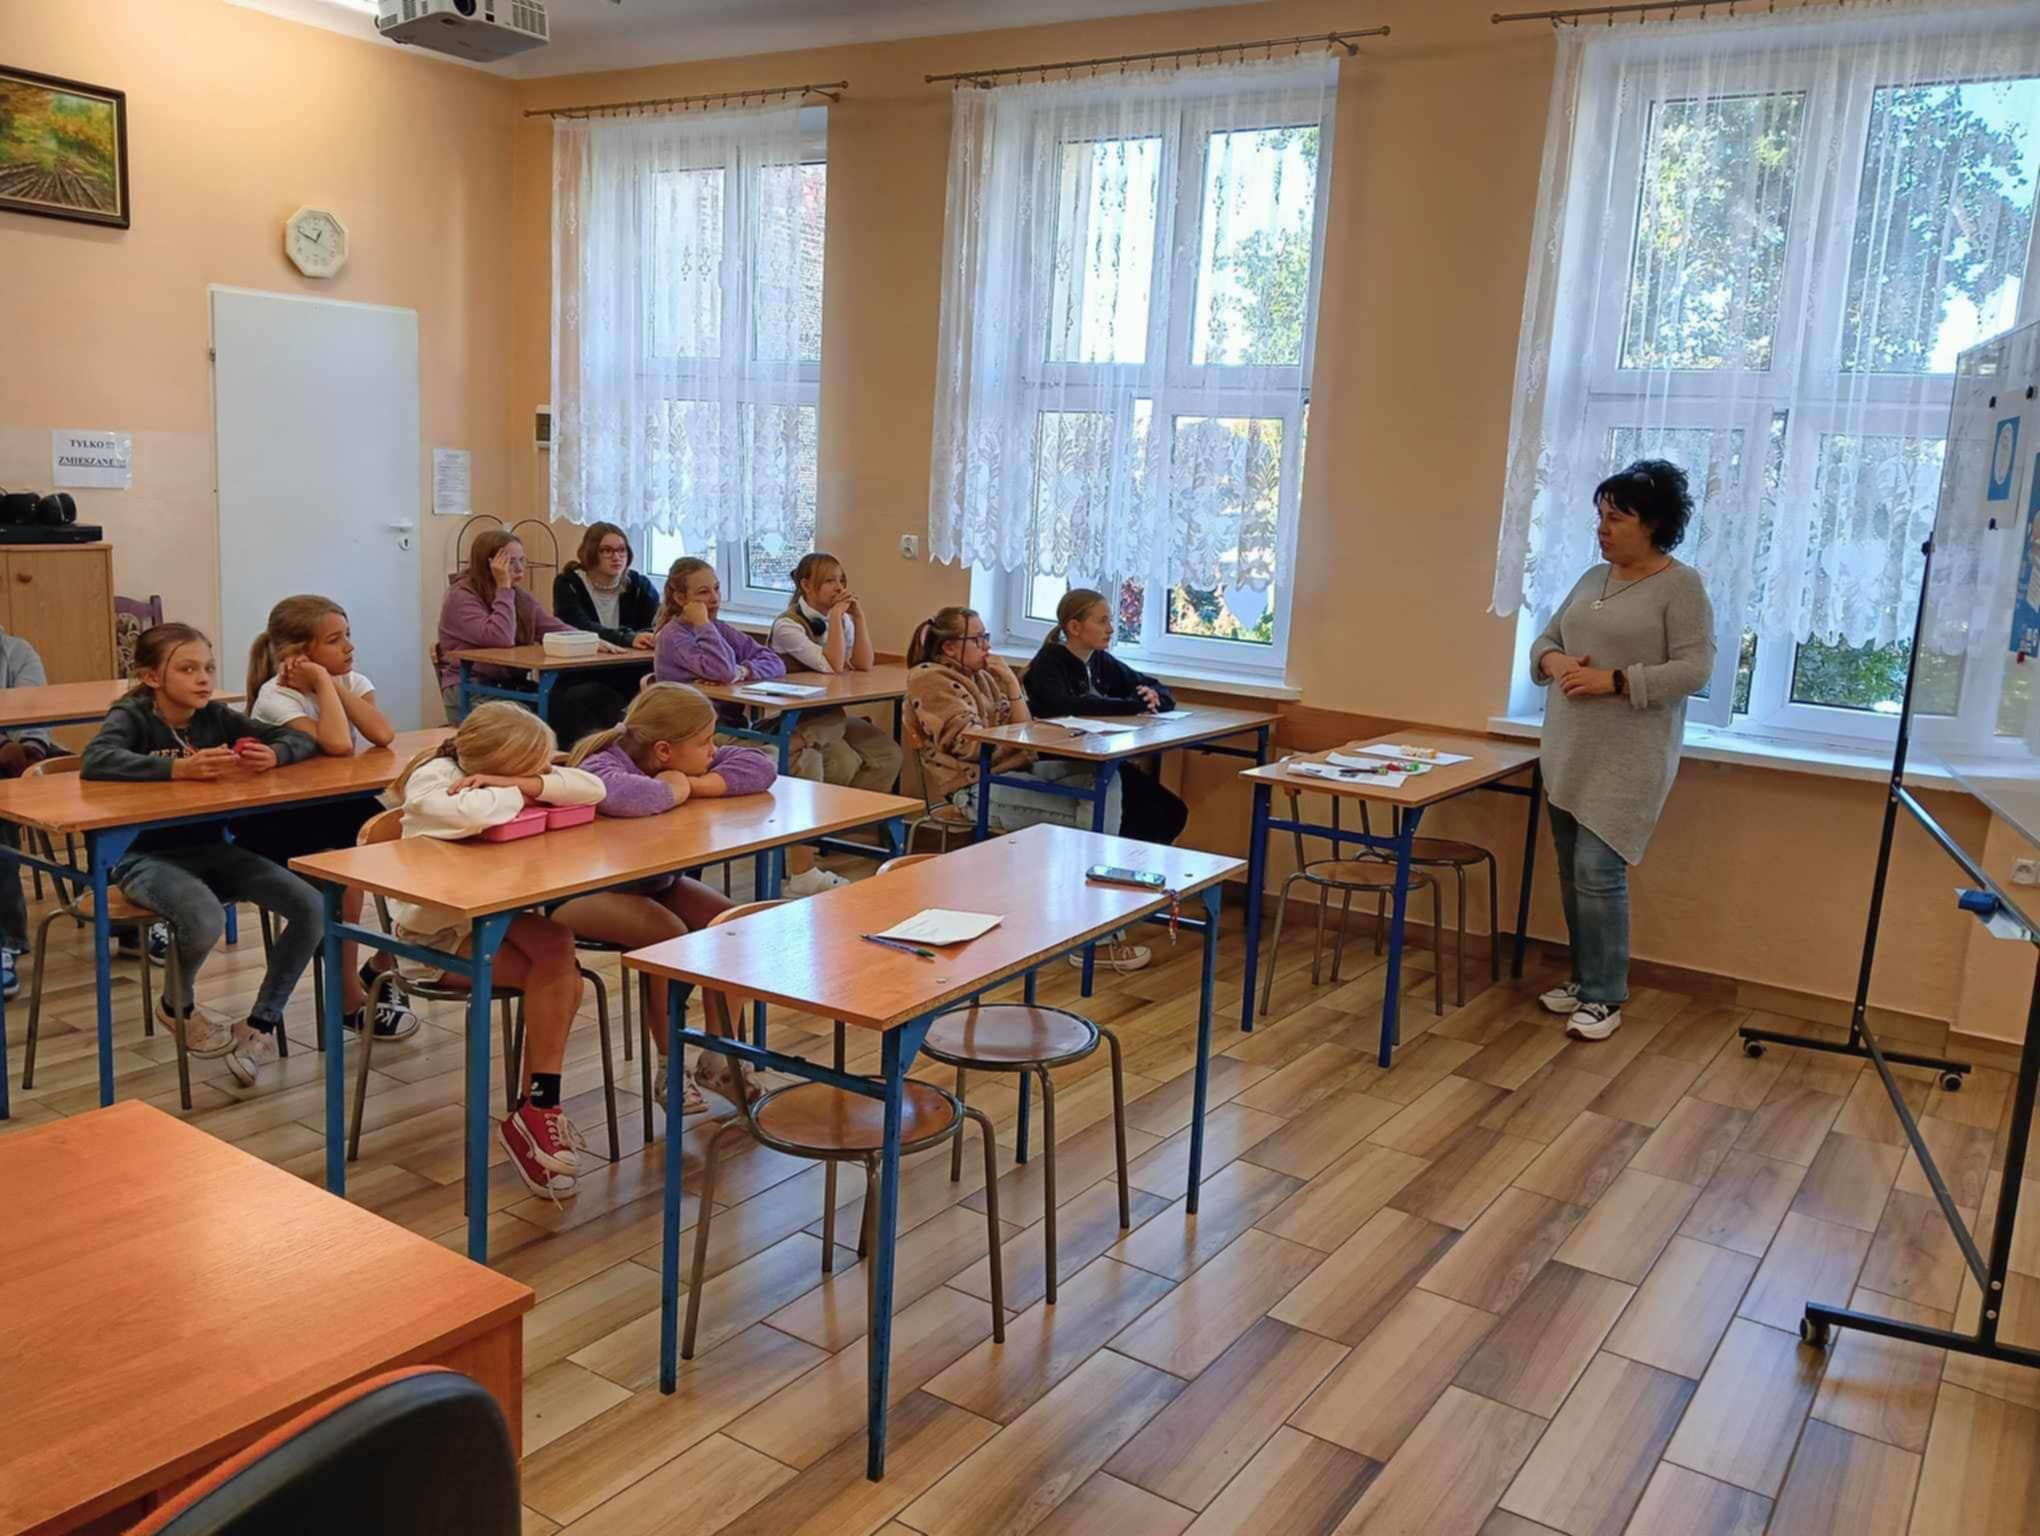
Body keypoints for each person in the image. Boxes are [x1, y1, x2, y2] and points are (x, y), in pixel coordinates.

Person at [81, 622, 326, 1086]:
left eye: (208, 668)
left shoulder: (215, 716)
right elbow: (96, 759)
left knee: (312, 907)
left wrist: (275, 755)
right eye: (188, 669)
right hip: (143, 857)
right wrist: (177, 770)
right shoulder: (132, 716)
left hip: (212, 850)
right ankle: (177, 1005)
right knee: (205, 917)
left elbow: (297, 739)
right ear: (152, 677)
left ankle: (261, 1024)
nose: (203, 679)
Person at [388, 703, 605, 1200]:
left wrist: (525, 782)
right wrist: (518, 789)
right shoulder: (434, 778)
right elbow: (465, 813)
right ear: (495, 762)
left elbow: (592, 788)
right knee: (562, 980)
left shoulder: (498, 778)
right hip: (431, 937)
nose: (542, 773)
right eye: (531, 766)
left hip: (491, 916)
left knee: (558, 944)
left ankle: (537, 1109)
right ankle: (536, 1114)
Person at [1530, 458, 1715, 1042]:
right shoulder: (1593, 578)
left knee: (1598, 870)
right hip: (1569, 748)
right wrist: (1554, 661)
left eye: (1616, 518)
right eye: (1600, 516)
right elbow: (1546, 638)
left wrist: (1613, 680)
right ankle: (1584, 979)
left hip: (1630, 756)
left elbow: (1695, 669)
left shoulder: (1681, 586)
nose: (1602, 528)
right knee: (1571, 871)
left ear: (1654, 524)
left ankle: (1606, 996)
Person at [555, 683, 777, 1118]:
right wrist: (674, 789)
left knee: (732, 923)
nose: (713, 750)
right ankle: (668, 1066)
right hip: (580, 890)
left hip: (650, 882)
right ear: (663, 751)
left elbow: (760, 767)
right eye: (705, 742)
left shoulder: (677, 760)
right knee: (668, 938)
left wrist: (691, 783)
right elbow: (629, 796)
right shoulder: (601, 764)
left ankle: (718, 1058)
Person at [906, 605, 1148, 971]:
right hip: (975, 787)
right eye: (978, 639)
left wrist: (1011, 684)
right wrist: (1015, 742)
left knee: (1103, 780)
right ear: (950, 647)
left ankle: (1080, 920)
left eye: (987, 637)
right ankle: (1091, 935)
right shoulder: (929, 679)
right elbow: (968, 745)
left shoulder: (984, 676)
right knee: (1088, 821)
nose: (987, 646)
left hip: (1016, 770)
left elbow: (1026, 731)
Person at [236, 595, 416, 1041]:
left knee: (415, 846)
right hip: (282, 815)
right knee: (348, 881)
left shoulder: (352, 680)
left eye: (347, 635)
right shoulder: (276, 696)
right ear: (299, 654)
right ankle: (347, 999)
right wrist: (319, 680)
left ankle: (385, 961)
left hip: (336, 802)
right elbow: (337, 744)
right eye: (335, 640)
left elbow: (382, 734)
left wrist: (330, 683)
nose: (349, 647)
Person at [655, 556, 841, 897]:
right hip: (699, 741)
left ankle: (801, 870)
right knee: (798, 759)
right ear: (680, 598)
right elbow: (721, 670)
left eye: (716, 589)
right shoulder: (674, 636)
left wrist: (744, 671)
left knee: (830, 723)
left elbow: (771, 661)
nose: (714, 598)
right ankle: (802, 872)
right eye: (703, 592)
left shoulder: (721, 628)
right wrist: (705, 629)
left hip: (734, 729)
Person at [1023, 588, 1189, 846]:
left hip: (1100, 759)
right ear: (1075, 627)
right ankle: (1115, 860)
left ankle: (1128, 862)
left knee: (1171, 812)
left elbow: (1151, 685)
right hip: (1062, 760)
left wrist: (1154, 697)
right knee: (1152, 815)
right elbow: (1066, 705)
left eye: (1110, 621)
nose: (1111, 629)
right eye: (1102, 622)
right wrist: (1131, 706)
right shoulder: (1049, 661)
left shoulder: (1100, 660)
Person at [435, 529, 628, 743]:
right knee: (554, 718)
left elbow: (551, 626)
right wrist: (503, 587)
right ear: (490, 564)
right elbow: (500, 638)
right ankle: (572, 758)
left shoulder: (520, 596)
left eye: (522, 560)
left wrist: (589, 640)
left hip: (511, 686)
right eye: (510, 562)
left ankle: (599, 755)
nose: (519, 568)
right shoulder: (461, 597)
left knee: (596, 698)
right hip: (471, 688)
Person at [767, 552, 903, 794]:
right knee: (843, 763)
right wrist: (838, 616)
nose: (839, 588)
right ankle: (828, 813)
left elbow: (863, 663)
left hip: (830, 712)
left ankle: (858, 816)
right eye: (830, 581)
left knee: (888, 754)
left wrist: (858, 618)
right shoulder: (787, 625)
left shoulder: (840, 620)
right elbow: (833, 666)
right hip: (799, 717)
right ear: (806, 585)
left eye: (841, 580)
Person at [0, 626, 58, 998]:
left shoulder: (17, 650)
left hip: (23, 752)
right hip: (5, 752)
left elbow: (36, 707)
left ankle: (126, 922)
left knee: (101, 779)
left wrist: (30, 752)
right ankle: (6, 940)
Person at [552, 522, 661, 649]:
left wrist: (647, 637)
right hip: (585, 657)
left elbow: (657, 624)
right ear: (590, 553)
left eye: (622, 550)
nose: (616, 557)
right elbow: (578, 627)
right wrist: (627, 638)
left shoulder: (640, 585)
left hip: (633, 656)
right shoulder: (568, 584)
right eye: (607, 551)